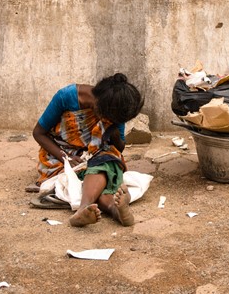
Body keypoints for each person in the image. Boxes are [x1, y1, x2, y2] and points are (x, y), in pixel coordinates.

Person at [31, 73, 144, 227]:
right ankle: (96, 208)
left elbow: (120, 147)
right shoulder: (66, 97)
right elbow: (38, 133)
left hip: (96, 155)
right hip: (60, 156)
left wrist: (115, 133)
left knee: (106, 160)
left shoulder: (116, 108)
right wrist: (66, 157)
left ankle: (113, 209)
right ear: (100, 105)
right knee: (103, 176)